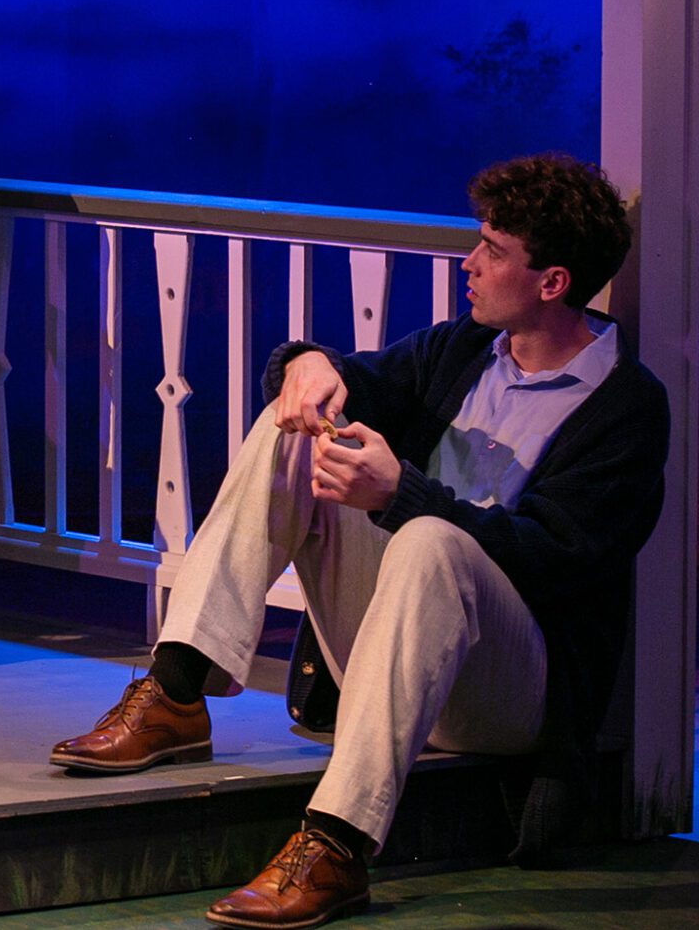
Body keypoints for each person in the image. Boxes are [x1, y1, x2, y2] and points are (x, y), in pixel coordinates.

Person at [48, 153, 669, 929]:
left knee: (432, 539)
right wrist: (309, 365)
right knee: (297, 432)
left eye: (492, 249)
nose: (469, 262)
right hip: (397, 645)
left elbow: (556, 557)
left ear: (553, 282)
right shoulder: (467, 349)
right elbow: (353, 378)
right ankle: (177, 689)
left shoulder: (625, 405)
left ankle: (336, 844)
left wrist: (401, 493)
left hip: (511, 689)